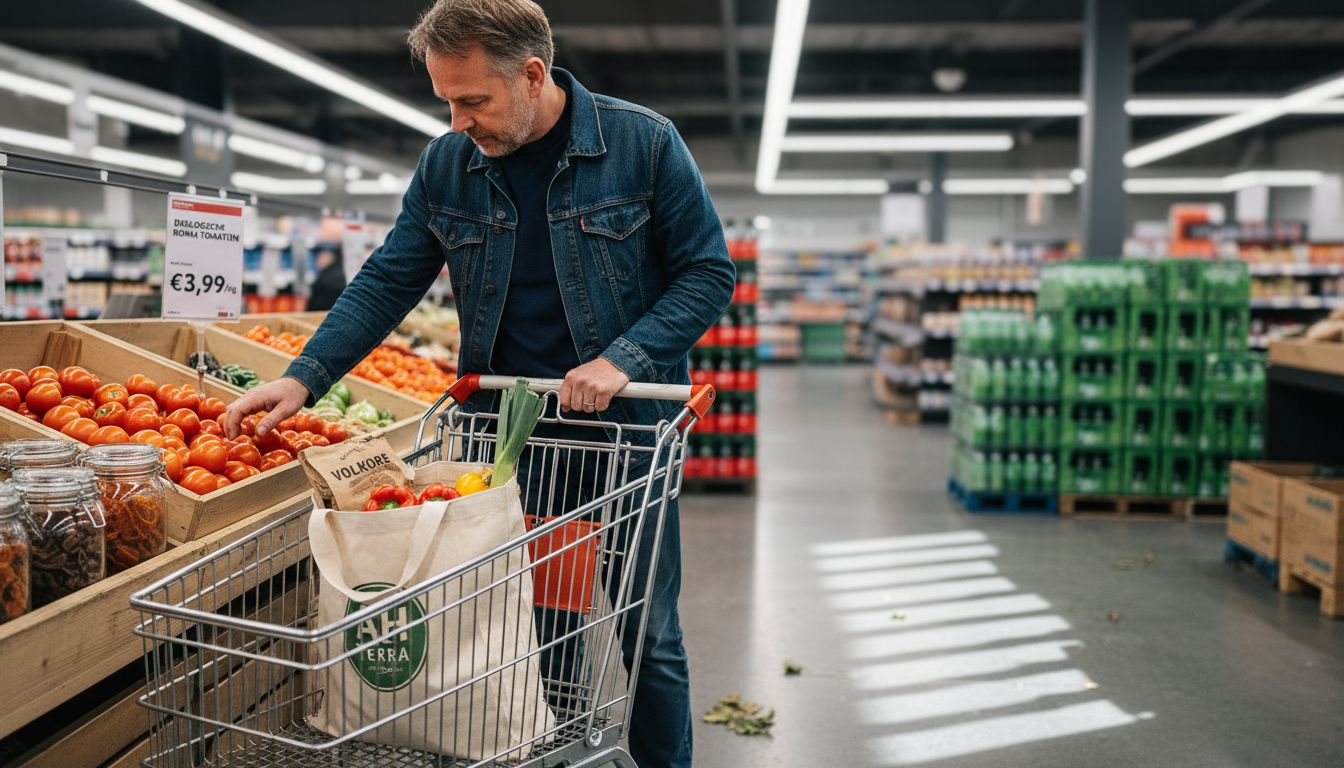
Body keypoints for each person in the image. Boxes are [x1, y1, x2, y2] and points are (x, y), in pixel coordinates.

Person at [221, 1, 735, 766]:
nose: (458, 121)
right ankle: (546, 750)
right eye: (447, 102)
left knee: (647, 631)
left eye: (473, 101)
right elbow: (387, 280)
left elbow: (708, 273)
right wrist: (305, 379)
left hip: (626, 438)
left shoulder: (644, 143)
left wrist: (621, 358)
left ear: (532, 76)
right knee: (527, 623)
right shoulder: (446, 165)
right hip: (508, 439)